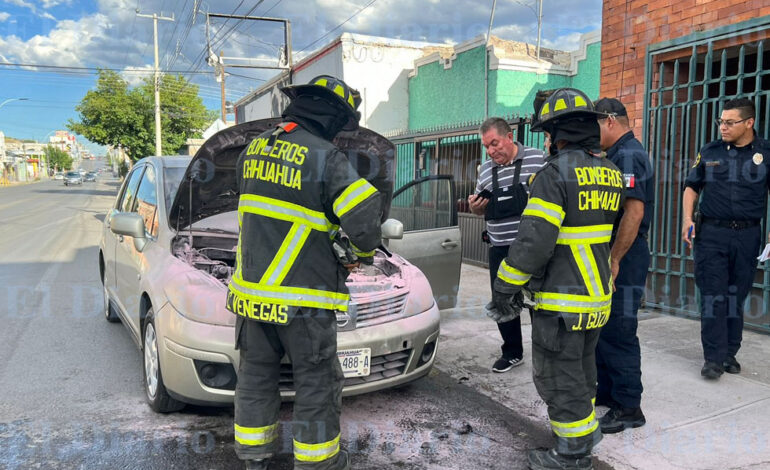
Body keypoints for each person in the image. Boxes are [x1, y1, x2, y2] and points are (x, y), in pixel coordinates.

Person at [227, 75, 383, 470]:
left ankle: (254, 458)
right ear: (333, 117)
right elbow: (364, 215)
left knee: (256, 377)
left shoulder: (254, 149)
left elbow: (276, 212)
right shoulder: (326, 158)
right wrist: (361, 253)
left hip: (252, 299)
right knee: (316, 382)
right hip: (304, 302)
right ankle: (317, 463)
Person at [493, 88, 624, 470]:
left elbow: (534, 243)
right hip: (596, 300)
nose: (547, 141)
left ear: (561, 133)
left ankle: (570, 455)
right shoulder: (611, 173)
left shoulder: (553, 176)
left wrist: (505, 287)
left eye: (549, 134)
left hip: (562, 303)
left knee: (557, 378)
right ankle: (584, 436)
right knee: (583, 374)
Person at [682, 98, 770, 381]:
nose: (723, 127)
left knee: (737, 293)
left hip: (747, 234)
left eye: (730, 122)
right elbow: (691, 187)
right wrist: (687, 218)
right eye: (721, 121)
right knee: (713, 294)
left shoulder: (766, 153)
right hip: (712, 234)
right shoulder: (710, 151)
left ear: (749, 123)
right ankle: (713, 358)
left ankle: (730, 351)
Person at [592, 98, 654, 434]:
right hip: (618, 253)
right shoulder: (617, 155)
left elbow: (634, 212)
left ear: (610, 121)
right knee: (605, 324)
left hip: (626, 255)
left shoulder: (629, 155)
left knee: (619, 329)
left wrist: (615, 259)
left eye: (595, 125)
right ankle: (609, 391)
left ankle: (629, 406)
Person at [467, 117, 546, 373]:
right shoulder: (486, 171)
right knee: (503, 300)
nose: (491, 151)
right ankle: (512, 352)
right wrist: (475, 207)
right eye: (486, 146)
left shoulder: (538, 159)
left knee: (538, 302)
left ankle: (545, 355)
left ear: (509, 137)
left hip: (532, 248)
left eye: (495, 143)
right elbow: (478, 206)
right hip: (499, 246)